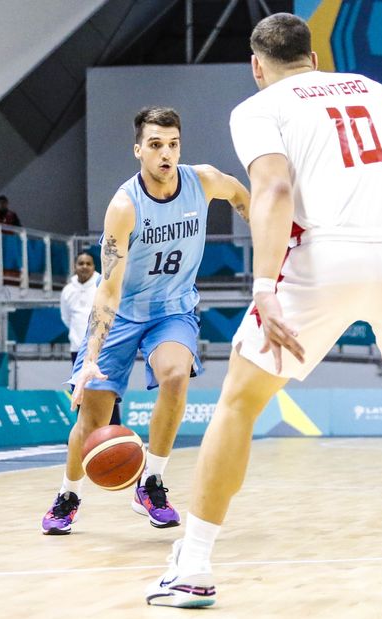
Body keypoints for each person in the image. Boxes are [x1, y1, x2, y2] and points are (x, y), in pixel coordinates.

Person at [145, 14, 382, 608]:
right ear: (314, 59)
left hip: (326, 259)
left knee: (238, 402)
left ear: (257, 66)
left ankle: (193, 567)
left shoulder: (258, 108)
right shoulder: (377, 91)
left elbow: (274, 191)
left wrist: (264, 285)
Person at [41, 106, 250, 536]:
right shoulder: (124, 206)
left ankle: (151, 482)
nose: (165, 153)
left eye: (173, 144)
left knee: (175, 375)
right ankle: (68, 495)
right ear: (138, 150)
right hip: (123, 313)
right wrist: (91, 357)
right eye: (155, 145)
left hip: (173, 310)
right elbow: (108, 289)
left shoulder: (203, 181)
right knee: (92, 420)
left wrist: (273, 231)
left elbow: (241, 196)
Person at [60, 250, 119, 425]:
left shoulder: (102, 284)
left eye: (88, 263)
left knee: (107, 390)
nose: (84, 267)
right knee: (80, 391)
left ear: (94, 266)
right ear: (75, 266)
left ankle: (113, 430)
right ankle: (82, 431)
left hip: (103, 349)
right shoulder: (68, 291)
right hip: (78, 350)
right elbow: (66, 318)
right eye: (81, 263)